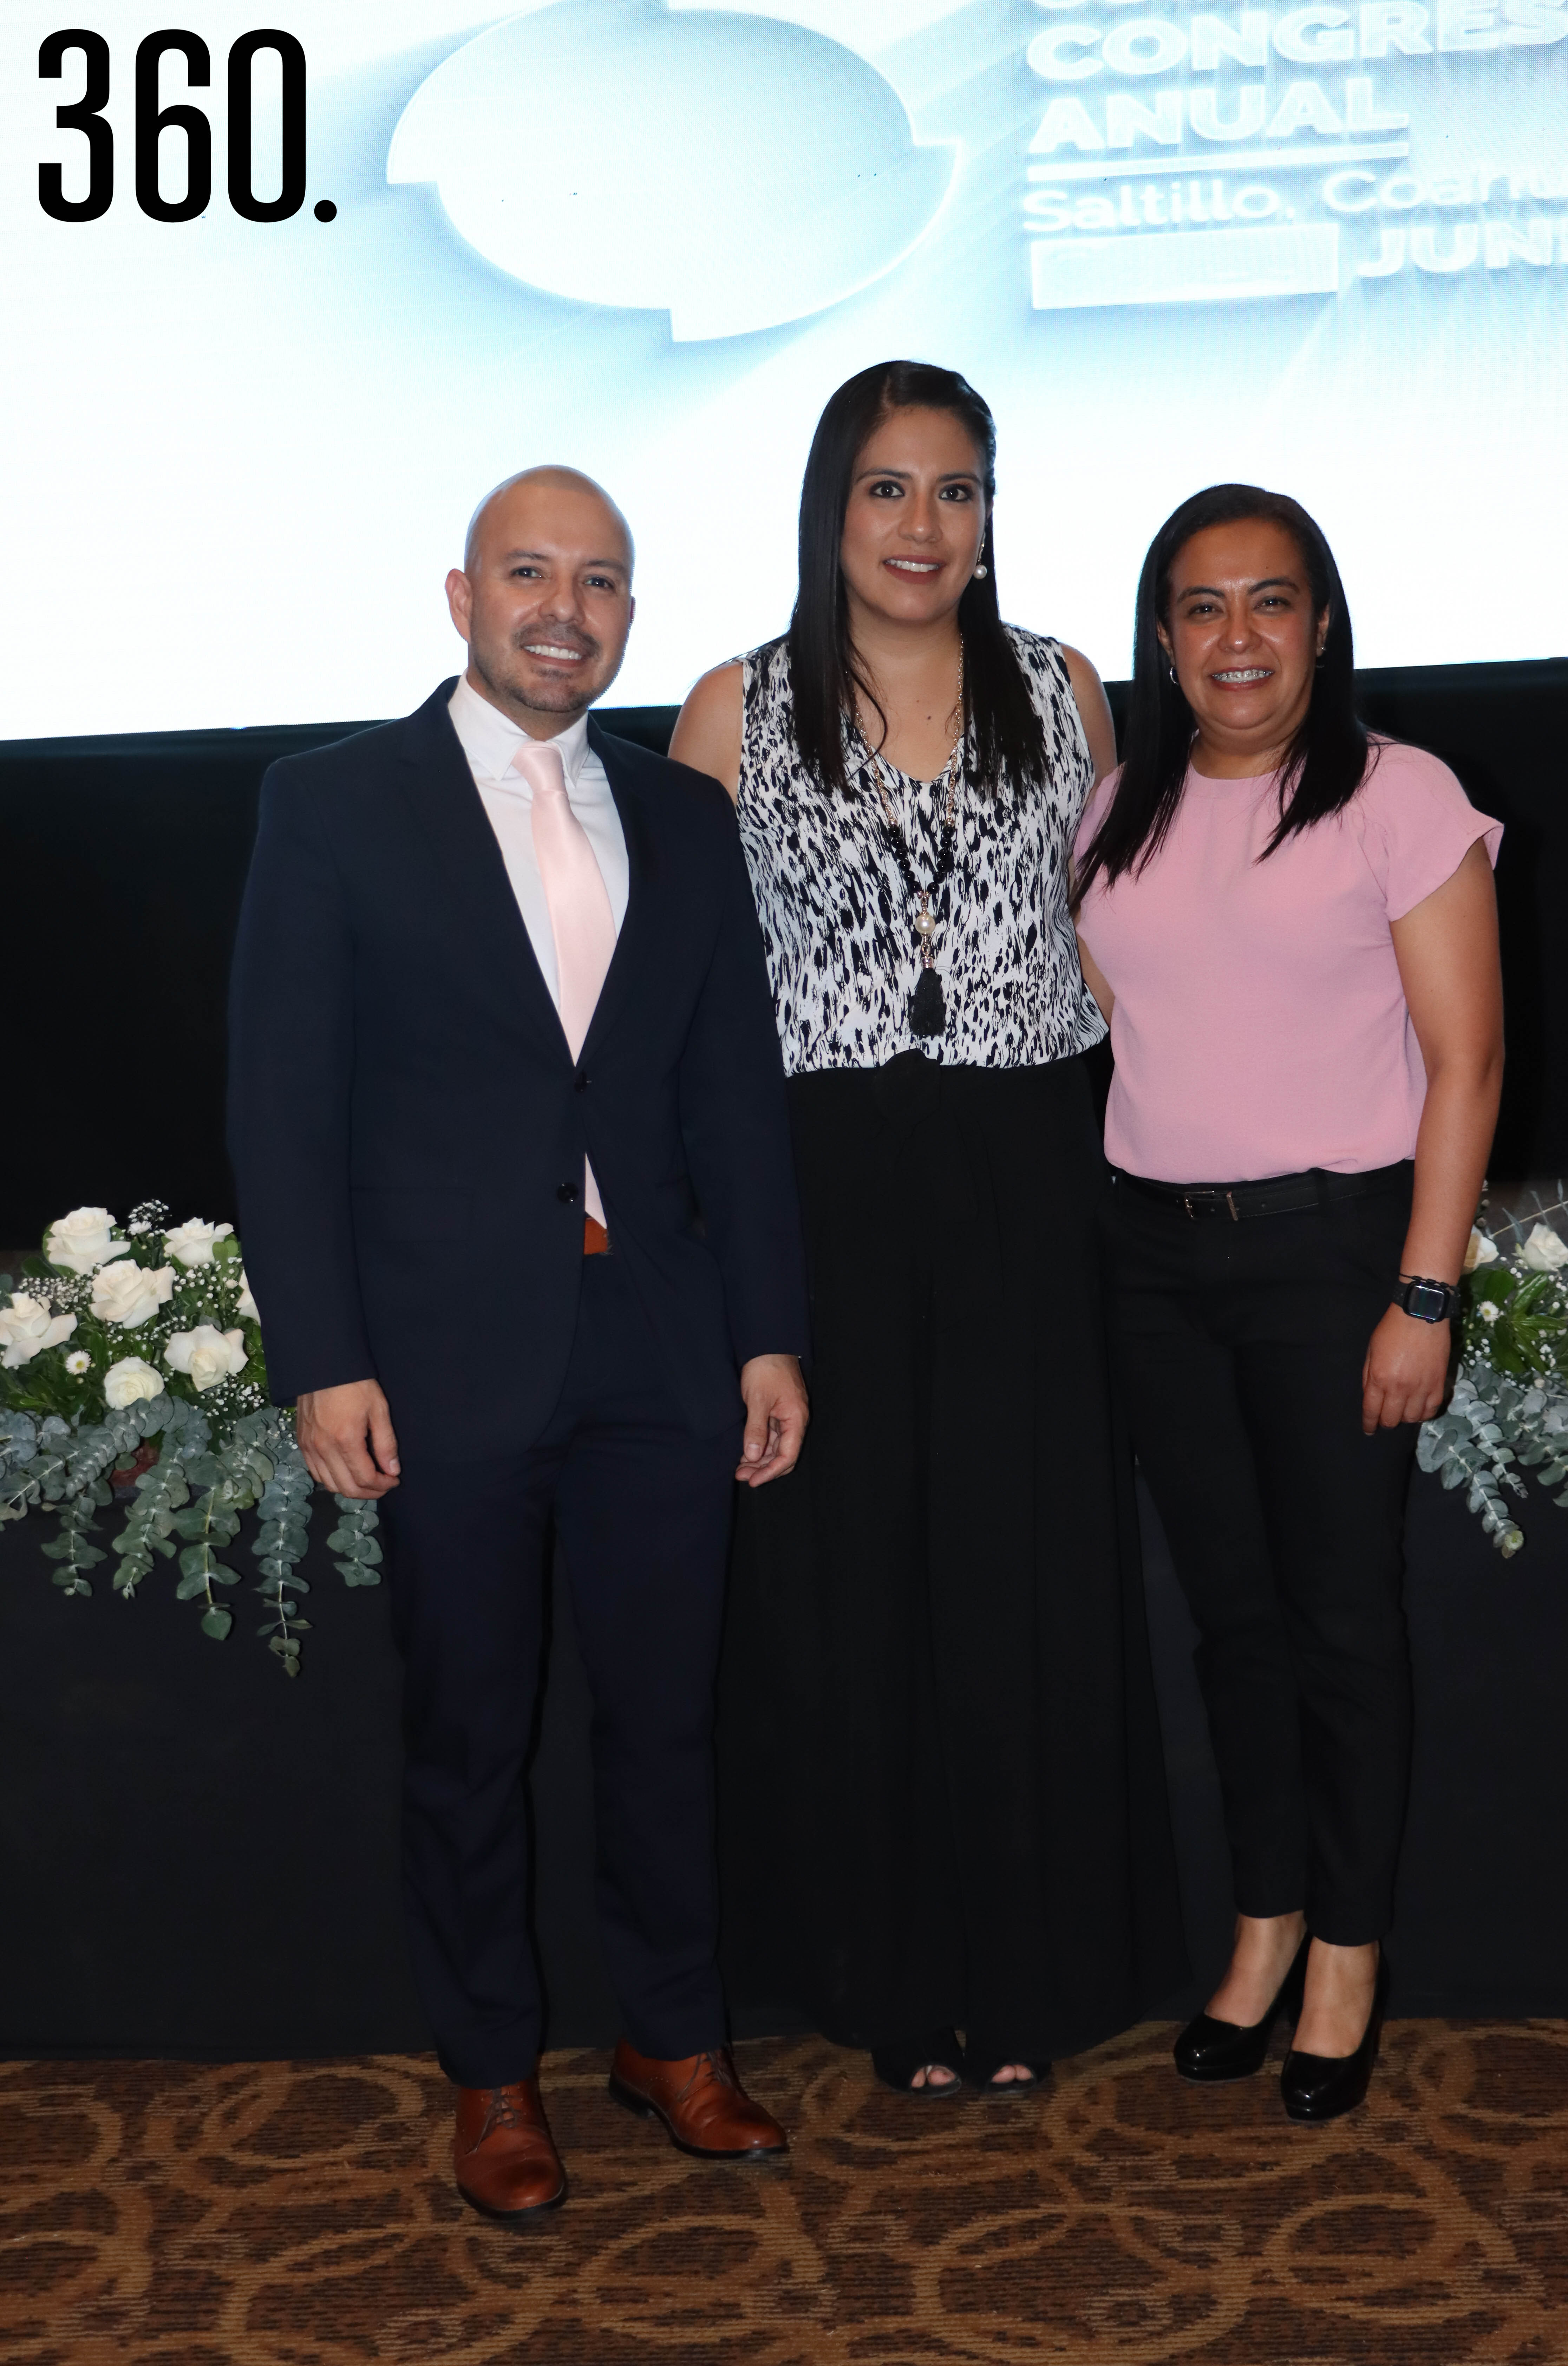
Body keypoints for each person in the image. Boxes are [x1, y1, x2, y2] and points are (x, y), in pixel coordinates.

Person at [227, 467, 811, 2218]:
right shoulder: (331, 806)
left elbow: (732, 1104)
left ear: (630, 615)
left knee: (665, 1721)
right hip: (442, 1356)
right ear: (462, 595)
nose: (567, 608)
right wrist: (322, 1354)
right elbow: (281, 1106)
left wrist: (766, 1335)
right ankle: (492, 2079)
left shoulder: (681, 817)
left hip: (656, 1346)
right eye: (532, 574)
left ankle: (673, 2041)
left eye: (603, 582)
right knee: (469, 1734)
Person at [670, 361, 1186, 2098]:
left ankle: (1029, 1978)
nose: (921, 525)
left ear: (989, 512)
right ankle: (888, 1982)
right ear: (830, 509)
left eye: (954, 489)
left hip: (1029, 1165)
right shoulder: (732, 707)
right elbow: (680, 998)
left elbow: (1109, 933)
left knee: (1020, 1563)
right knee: (849, 1579)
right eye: (886, 489)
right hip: (822, 1178)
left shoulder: (1063, 687)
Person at [1074, 483, 1504, 2122]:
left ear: (1320, 625)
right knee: (1229, 1621)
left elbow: (1465, 1061)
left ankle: (1347, 1956)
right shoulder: (1115, 808)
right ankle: (1259, 1928)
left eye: (1269, 601)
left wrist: (1422, 1290)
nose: (1235, 637)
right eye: (1199, 606)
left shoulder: (1399, 798)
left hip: (1331, 1261)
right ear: (1162, 640)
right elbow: (1132, 1016)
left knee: (1335, 1624)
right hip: (1152, 1262)